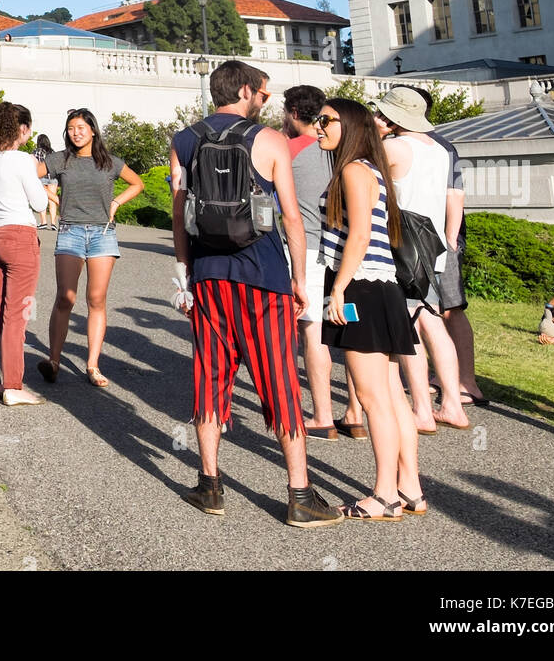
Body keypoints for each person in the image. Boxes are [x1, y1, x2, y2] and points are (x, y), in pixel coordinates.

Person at [171, 60, 342, 527]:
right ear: (246, 91)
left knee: (209, 375)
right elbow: (291, 216)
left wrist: (184, 274)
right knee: (279, 379)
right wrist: (300, 279)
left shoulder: (184, 140)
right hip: (263, 278)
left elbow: (180, 215)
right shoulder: (269, 141)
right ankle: (300, 494)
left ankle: (209, 485)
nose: (266, 101)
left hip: (208, 277)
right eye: (263, 94)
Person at [316, 98, 424, 520]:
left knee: (372, 396)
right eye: (317, 119)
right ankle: (409, 487)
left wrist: (338, 288)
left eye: (326, 120)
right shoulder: (368, 168)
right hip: (380, 287)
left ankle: (384, 495)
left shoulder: (353, 170)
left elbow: (358, 234)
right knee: (392, 396)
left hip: (360, 285)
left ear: (352, 126)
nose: (318, 126)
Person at [375, 87, 470, 433]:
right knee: (432, 321)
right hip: (431, 245)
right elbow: (452, 195)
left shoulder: (394, 148)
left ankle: (422, 410)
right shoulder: (439, 150)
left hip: (401, 245)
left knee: (408, 325)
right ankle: (452, 404)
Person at [36, 108, 143, 387]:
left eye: (81, 127)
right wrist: (52, 197)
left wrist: (116, 202)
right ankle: (54, 361)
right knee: (65, 298)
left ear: (93, 130)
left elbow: (137, 183)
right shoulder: (60, 159)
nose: (76, 132)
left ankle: (93, 365)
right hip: (70, 232)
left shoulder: (109, 162)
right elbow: (31, 175)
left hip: (103, 234)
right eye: (71, 128)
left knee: (96, 300)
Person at [283, 84, 366, 439]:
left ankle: (321, 415)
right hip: (352, 257)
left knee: (313, 332)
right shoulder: (354, 155)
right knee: (351, 333)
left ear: (292, 113)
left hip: (313, 252)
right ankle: (355, 412)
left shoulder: (294, 152)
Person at [0, 101, 49, 405]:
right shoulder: (22, 160)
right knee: (16, 315)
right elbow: (39, 203)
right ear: (22, 128)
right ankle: (13, 386)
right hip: (20, 236)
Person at [34, 133, 58, 230]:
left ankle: (43, 222)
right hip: (53, 177)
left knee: (42, 199)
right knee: (52, 200)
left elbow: (35, 164)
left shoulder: (36, 152)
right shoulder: (53, 152)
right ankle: (53, 223)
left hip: (42, 177)